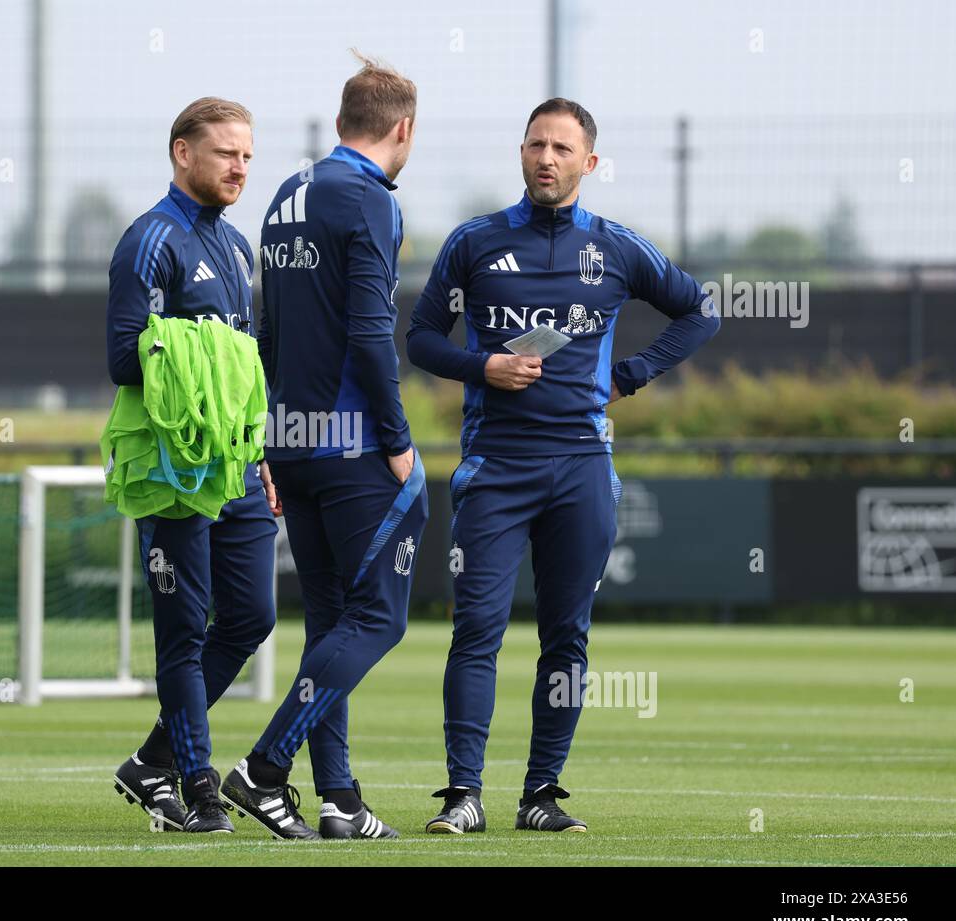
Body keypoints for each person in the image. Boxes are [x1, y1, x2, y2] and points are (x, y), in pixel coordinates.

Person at [407, 98, 720, 835]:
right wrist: (483, 365)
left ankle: (541, 795)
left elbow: (701, 311)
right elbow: (420, 339)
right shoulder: (474, 243)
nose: (546, 158)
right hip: (495, 465)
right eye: (536, 145)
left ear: (589, 162)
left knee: (567, 637)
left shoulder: (616, 248)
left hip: (582, 466)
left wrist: (632, 374)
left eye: (561, 148)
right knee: (476, 629)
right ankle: (463, 796)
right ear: (520, 153)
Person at [218, 53, 428, 840]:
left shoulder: (284, 195)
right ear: (402, 129)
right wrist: (399, 442)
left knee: (332, 622)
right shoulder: (368, 199)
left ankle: (339, 801)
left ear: (344, 121)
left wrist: (270, 438)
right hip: (352, 448)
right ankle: (265, 767)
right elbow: (374, 333)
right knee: (379, 619)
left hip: (293, 441)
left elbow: (268, 331)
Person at [105, 97, 279, 834]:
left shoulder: (239, 249)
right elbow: (122, 356)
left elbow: (246, 371)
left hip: (236, 469)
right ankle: (199, 786)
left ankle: (150, 763)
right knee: (182, 631)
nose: (240, 167)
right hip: (173, 472)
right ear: (183, 153)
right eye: (225, 153)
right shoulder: (150, 240)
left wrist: (260, 450)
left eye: (246, 155)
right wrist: (193, 348)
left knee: (251, 616)